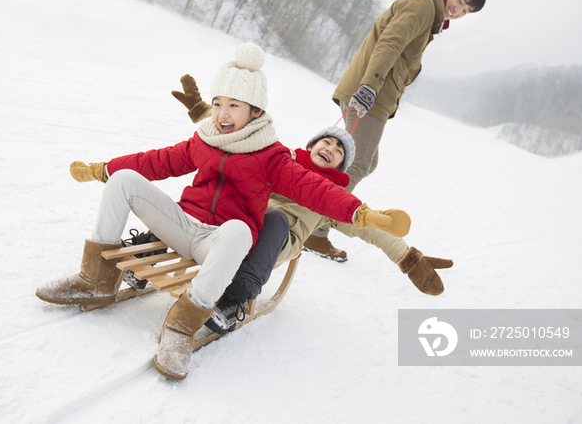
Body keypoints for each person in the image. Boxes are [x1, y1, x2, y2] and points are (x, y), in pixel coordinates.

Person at [35, 42, 411, 381]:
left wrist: (361, 214)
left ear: (255, 110)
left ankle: (182, 326)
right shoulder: (205, 138)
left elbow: (315, 189)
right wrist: (104, 169)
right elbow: (159, 161)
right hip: (183, 224)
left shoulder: (273, 156)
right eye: (218, 103)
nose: (222, 113)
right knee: (126, 180)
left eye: (233, 105)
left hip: (217, 242)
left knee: (241, 231)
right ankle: (96, 280)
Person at [172, 77, 454, 334]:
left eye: (339, 151)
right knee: (218, 192)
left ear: (340, 166)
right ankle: (159, 241)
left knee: (278, 219)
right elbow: (237, 141)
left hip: (273, 241)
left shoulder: (331, 198)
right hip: (241, 220)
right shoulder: (282, 162)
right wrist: (200, 110)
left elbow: (368, 229)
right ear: (310, 147)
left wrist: (410, 259)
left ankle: (234, 299)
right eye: (327, 142)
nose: (331, 148)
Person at [303, 0, 487, 261]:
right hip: (370, 94)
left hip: (375, 96)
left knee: (366, 162)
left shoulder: (430, 15)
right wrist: (369, 87)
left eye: (465, 12)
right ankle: (312, 229)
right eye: (460, 2)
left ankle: (312, 211)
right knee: (358, 163)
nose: (458, 12)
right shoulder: (423, 6)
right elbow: (389, 44)